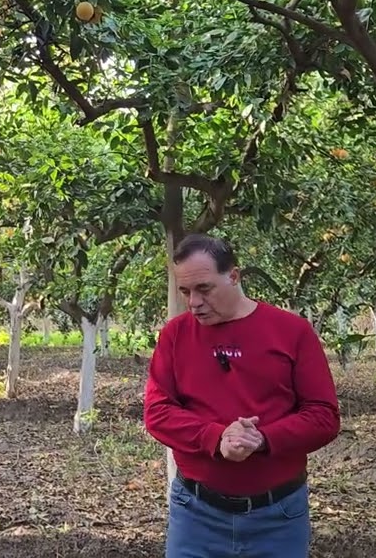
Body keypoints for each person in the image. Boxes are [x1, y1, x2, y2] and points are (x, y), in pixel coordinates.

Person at [144, 233, 341, 558]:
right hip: (195, 514)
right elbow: (158, 412)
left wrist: (262, 439)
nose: (193, 302)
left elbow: (323, 416)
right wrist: (216, 437)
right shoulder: (175, 335)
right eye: (185, 291)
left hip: (277, 516)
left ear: (233, 276)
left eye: (204, 289)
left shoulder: (292, 332)